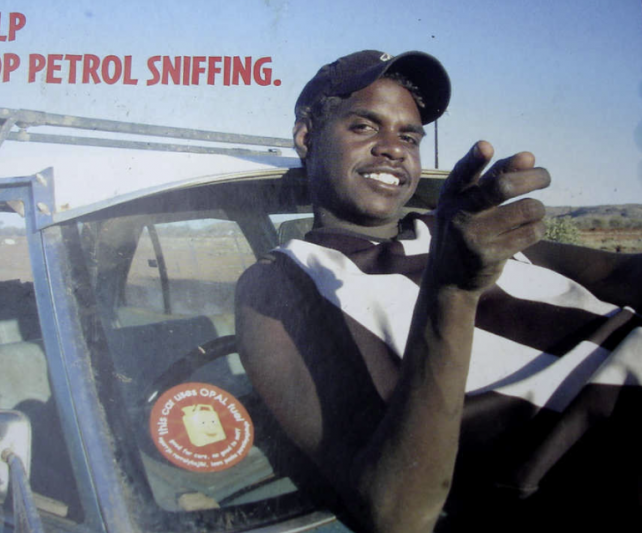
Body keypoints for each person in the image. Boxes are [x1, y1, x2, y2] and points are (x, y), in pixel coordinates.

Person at [235, 50, 641, 533]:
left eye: (408, 135)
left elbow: (622, 275)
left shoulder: (461, 229)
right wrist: (452, 291)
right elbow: (397, 513)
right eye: (364, 127)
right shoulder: (283, 281)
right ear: (306, 137)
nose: (393, 148)